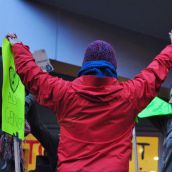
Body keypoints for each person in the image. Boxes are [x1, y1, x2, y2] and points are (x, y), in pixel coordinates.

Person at [5, 31, 172, 172]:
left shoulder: (64, 93)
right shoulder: (130, 95)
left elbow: (32, 75)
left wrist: (18, 46)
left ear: (84, 65)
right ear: (113, 67)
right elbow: (155, 71)